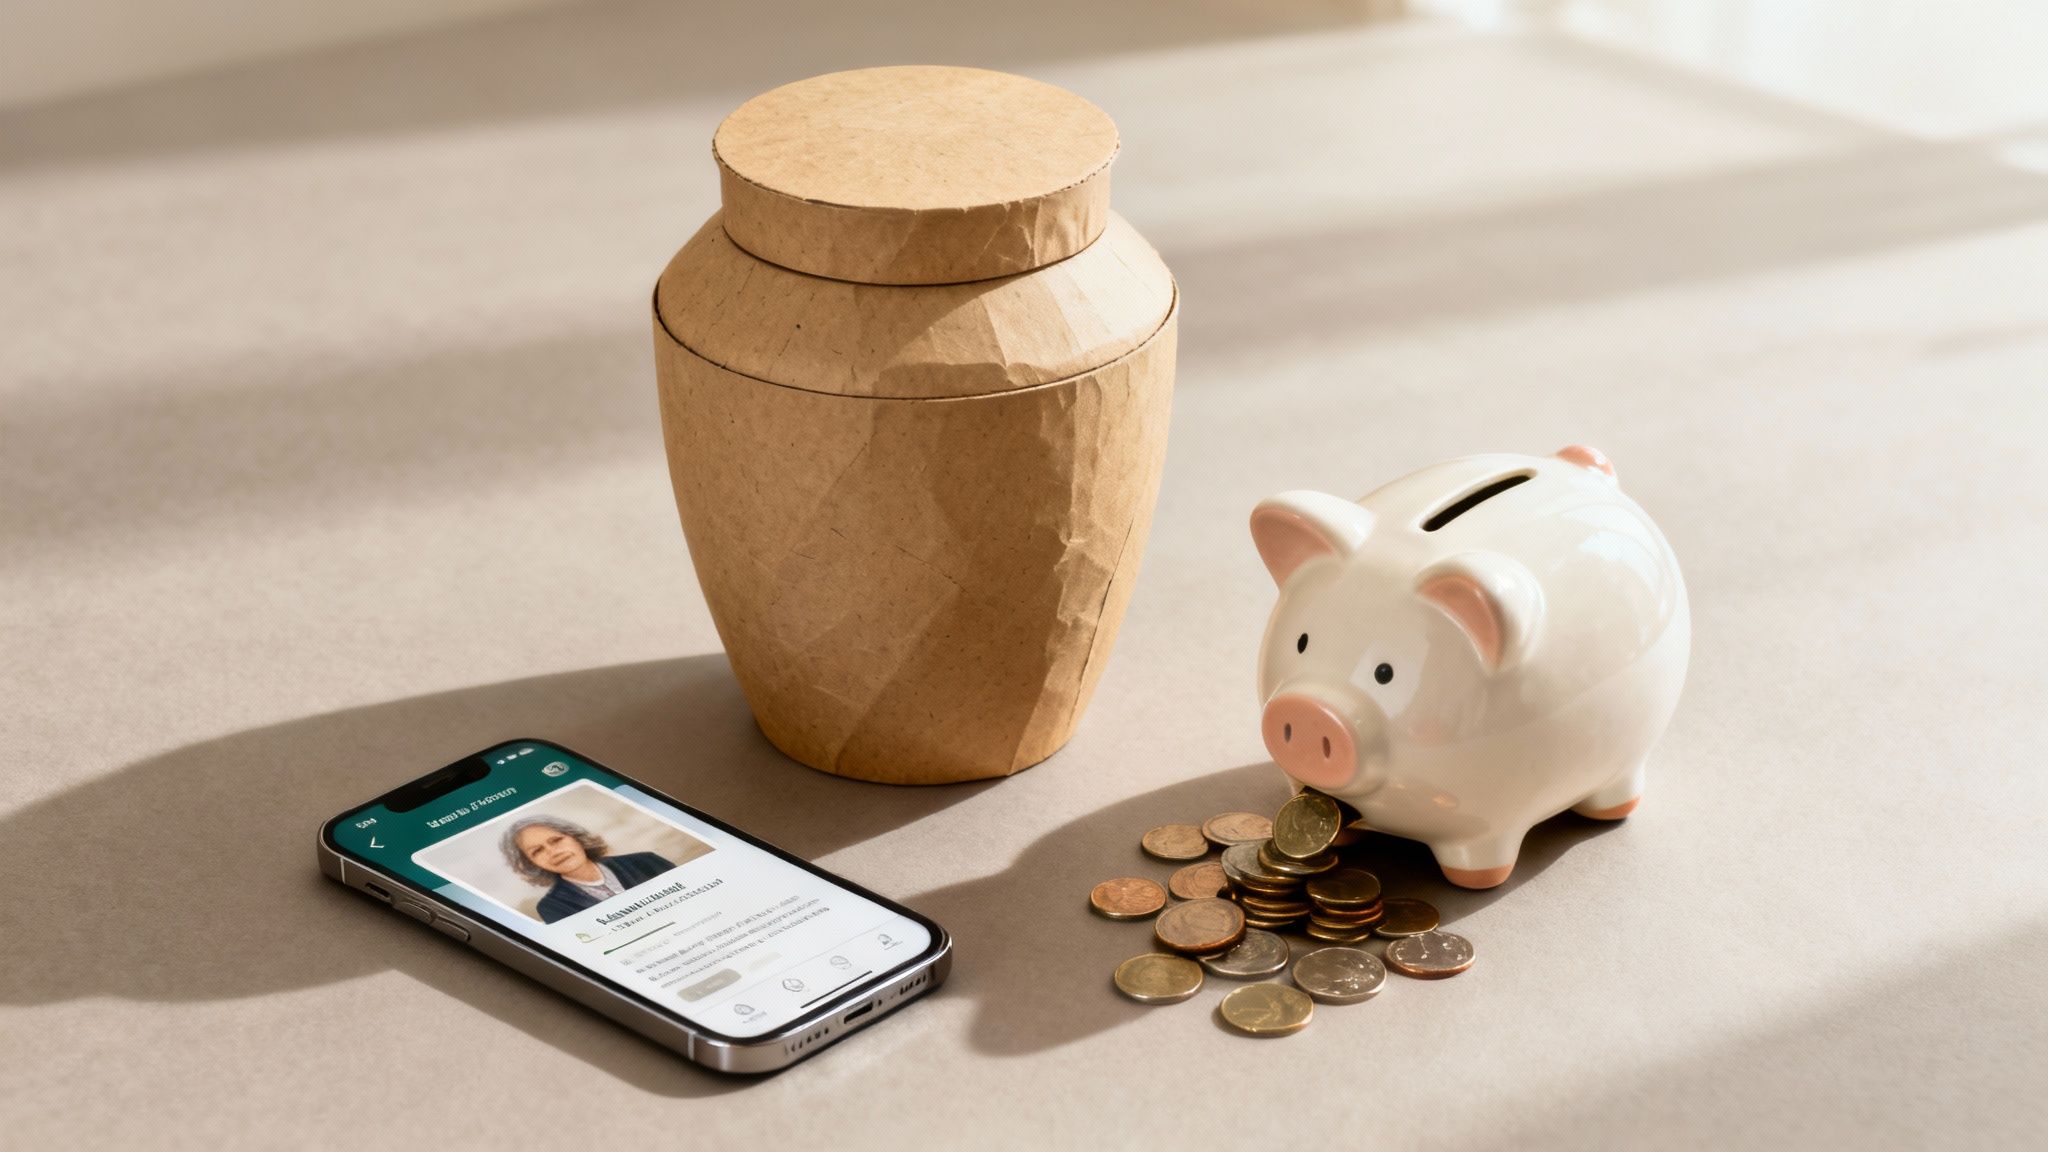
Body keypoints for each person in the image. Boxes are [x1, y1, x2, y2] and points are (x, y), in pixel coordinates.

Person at [499, 815, 677, 924]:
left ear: (576, 837)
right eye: (537, 851)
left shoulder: (645, 862)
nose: (553, 852)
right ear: (531, 863)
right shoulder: (552, 908)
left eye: (556, 840)